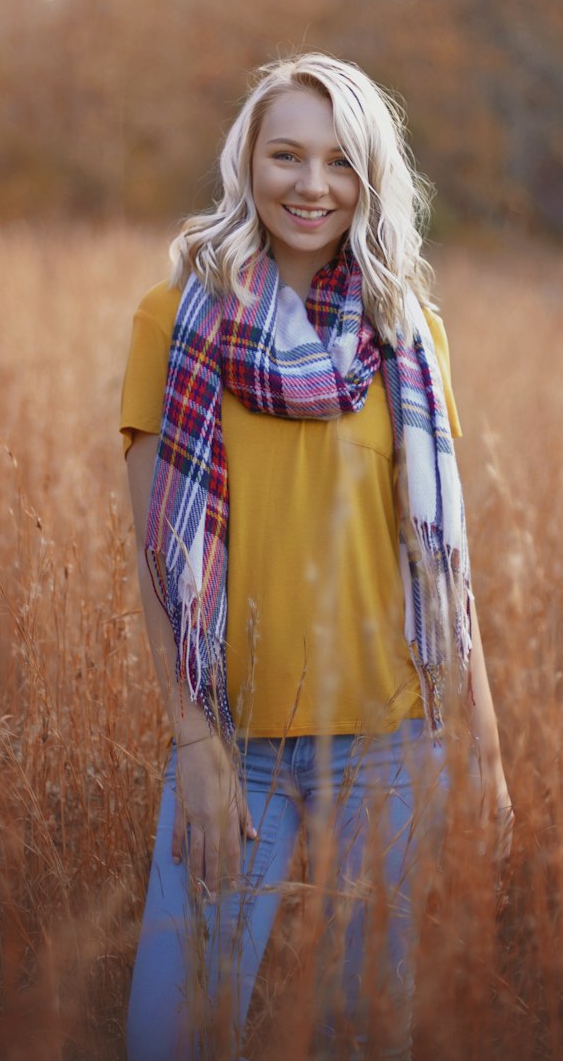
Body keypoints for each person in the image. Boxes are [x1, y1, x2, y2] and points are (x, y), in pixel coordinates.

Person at [121, 53, 511, 1060]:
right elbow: (158, 561)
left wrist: (489, 751)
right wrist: (194, 740)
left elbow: (442, 567)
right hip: (234, 744)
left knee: (360, 1034)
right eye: (286, 154)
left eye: (340, 162)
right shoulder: (174, 322)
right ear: (246, 162)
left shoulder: (407, 334)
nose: (311, 183)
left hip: (391, 746)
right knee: (172, 1034)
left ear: (369, 178)